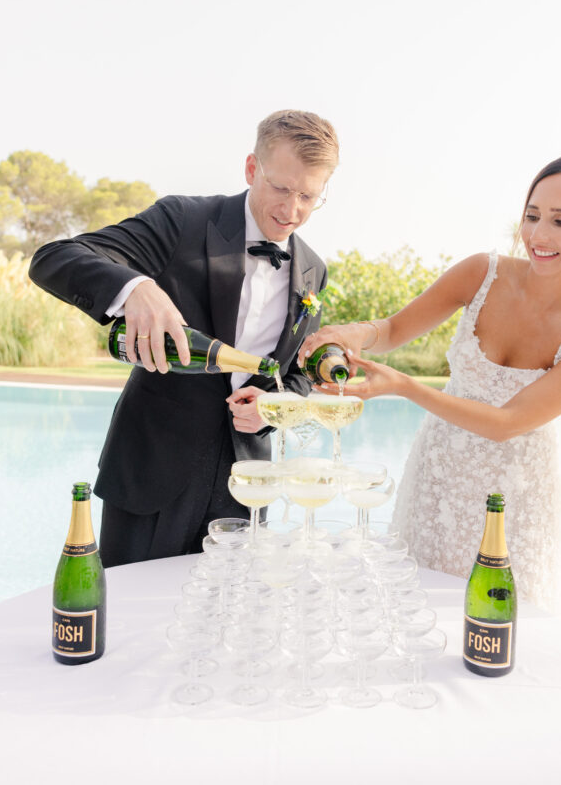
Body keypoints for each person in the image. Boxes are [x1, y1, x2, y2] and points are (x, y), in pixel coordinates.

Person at [299, 155, 561, 653]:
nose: (538, 235)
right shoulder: (483, 272)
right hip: (437, 477)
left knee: (491, 638)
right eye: (532, 215)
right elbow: (393, 330)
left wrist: (406, 387)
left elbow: (507, 423)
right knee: (410, 624)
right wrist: (355, 332)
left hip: (515, 498)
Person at [29, 109, 339, 566]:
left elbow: (293, 378)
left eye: (308, 197)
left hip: (246, 487)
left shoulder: (314, 269)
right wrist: (137, 288)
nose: (291, 210)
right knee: (132, 622)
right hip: (152, 475)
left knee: (227, 624)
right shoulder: (182, 220)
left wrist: (271, 410)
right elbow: (55, 257)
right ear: (252, 168)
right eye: (280, 188)